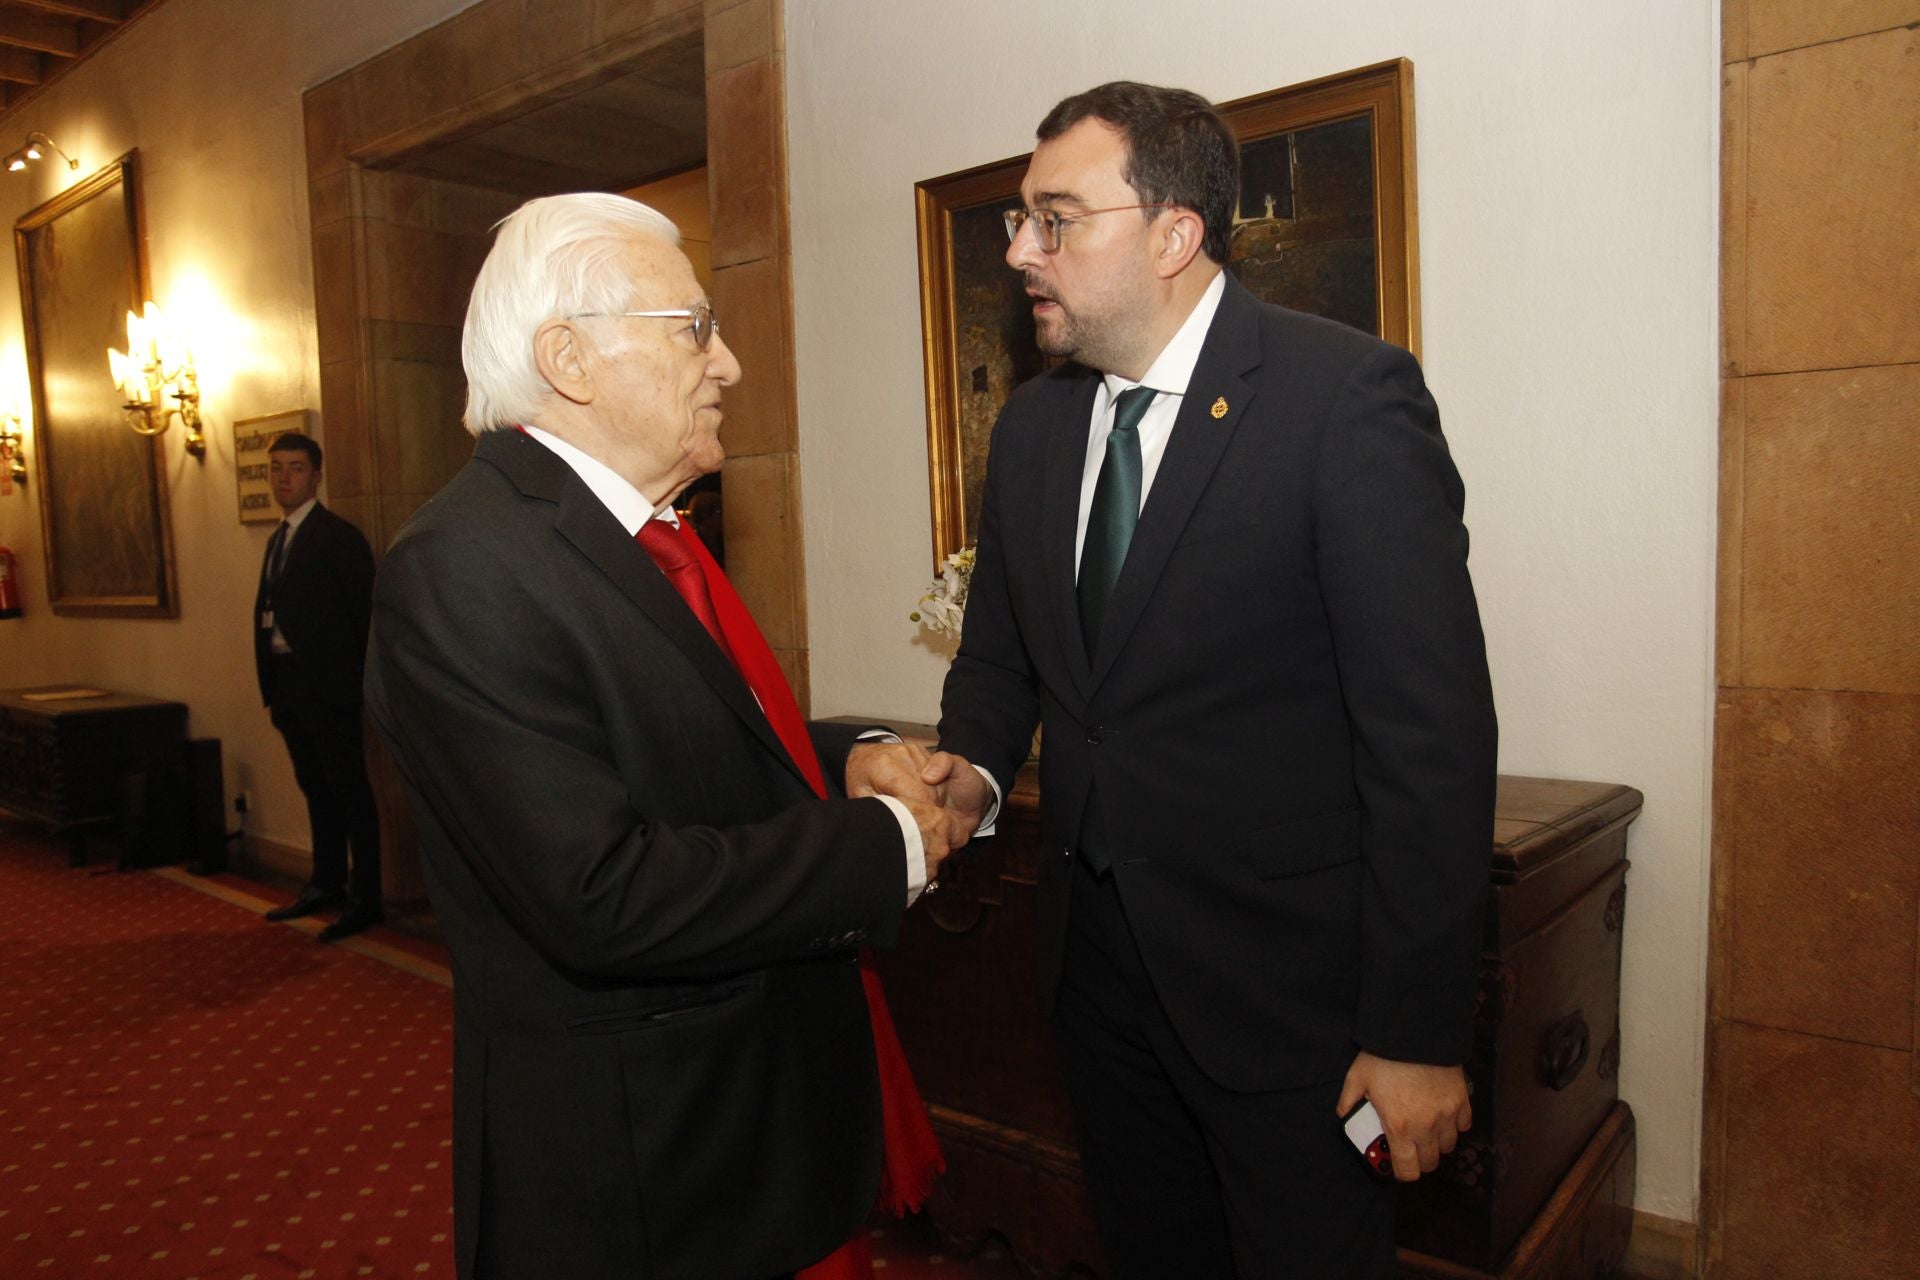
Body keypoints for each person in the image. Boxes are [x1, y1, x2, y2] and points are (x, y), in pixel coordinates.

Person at [909, 82, 1498, 1278]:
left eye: (1057, 218)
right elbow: (1002, 661)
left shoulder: (1344, 400)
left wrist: (1416, 1033)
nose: (1022, 249)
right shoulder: (1029, 431)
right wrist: (963, 773)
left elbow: (1428, 740)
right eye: (1019, 220)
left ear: (1175, 235)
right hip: (1098, 986)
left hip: (1298, 1007)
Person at [364, 193, 969, 1280]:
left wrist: (842, 757)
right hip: (652, 1175)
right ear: (569, 358)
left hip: (754, 1133)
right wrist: (887, 842)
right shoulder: (465, 565)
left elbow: (680, 733)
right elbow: (600, 890)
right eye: (693, 327)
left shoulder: (632, 532)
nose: (727, 362)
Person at [254, 430, 384, 943]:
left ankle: (366, 897)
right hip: (288, 688)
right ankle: (325, 882)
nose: (284, 478)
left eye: (296, 468)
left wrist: (354, 687)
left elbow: (363, 620)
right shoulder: (278, 538)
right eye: (277, 468)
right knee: (315, 789)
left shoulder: (337, 537)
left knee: (349, 790)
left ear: (316, 476)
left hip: (330, 692)